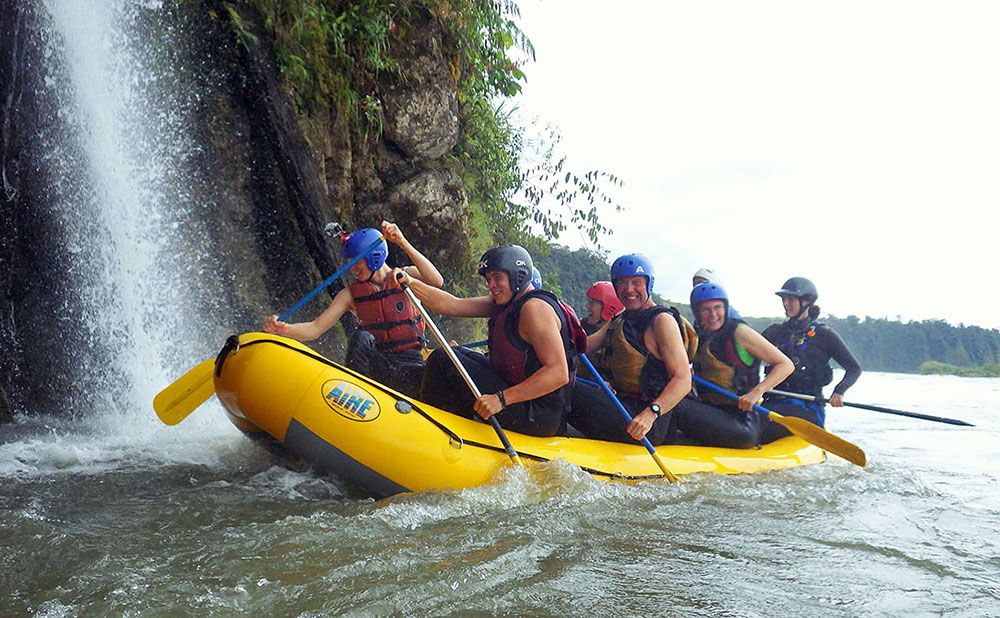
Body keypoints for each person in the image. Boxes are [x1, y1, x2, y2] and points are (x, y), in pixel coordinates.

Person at [396, 245, 579, 437]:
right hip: (515, 393)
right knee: (452, 354)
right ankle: (449, 419)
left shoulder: (535, 309)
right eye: (488, 279)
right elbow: (451, 305)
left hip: (539, 414)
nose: (491, 285)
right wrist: (409, 283)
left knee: (443, 359)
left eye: (497, 277)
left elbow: (558, 372)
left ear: (518, 275)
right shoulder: (507, 301)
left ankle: (432, 430)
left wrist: (501, 400)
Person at [263, 221, 443, 397]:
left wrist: (402, 241)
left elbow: (436, 281)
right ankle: (354, 396)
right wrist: (285, 329)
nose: (353, 269)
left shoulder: (406, 276)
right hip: (379, 367)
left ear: (375, 257)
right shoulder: (349, 295)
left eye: (357, 262)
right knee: (361, 337)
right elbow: (315, 328)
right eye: (350, 263)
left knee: (441, 362)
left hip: (412, 368)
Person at [567, 254, 696, 445]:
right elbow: (583, 347)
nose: (629, 290)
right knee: (563, 379)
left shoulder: (662, 321)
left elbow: (683, 379)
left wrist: (651, 414)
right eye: (622, 283)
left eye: (636, 282)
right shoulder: (621, 319)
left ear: (648, 284)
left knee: (566, 387)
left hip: (646, 424)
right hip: (623, 406)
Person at [684, 282, 795, 447]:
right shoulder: (700, 335)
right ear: (697, 312)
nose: (713, 314)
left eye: (718, 307)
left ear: (725, 308)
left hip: (741, 423)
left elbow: (786, 364)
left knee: (676, 407)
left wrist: (757, 392)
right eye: (706, 309)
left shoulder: (739, 332)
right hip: (713, 414)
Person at [760, 277, 862, 442]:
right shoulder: (775, 332)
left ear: (807, 301)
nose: (786, 303)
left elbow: (854, 369)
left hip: (808, 407)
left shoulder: (824, 335)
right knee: (753, 421)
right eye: (784, 299)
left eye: (791, 299)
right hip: (773, 403)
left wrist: (839, 391)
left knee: (768, 423)